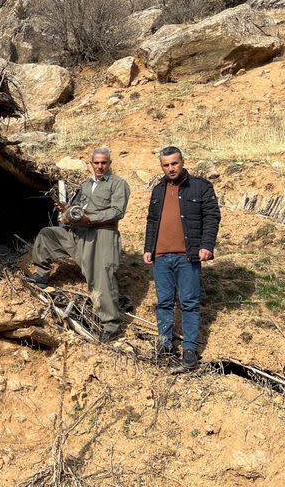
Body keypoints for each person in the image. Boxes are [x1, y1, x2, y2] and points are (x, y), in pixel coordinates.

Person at [27, 147, 131, 343]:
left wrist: (89, 219)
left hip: (102, 235)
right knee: (47, 235)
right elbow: (77, 209)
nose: (100, 166)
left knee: (101, 277)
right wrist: (67, 209)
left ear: (109, 163)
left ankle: (111, 325)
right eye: (96, 163)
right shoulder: (85, 185)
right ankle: (41, 275)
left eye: (104, 163)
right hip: (79, 233)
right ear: (91, 163)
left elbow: (117, 211)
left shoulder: (118, 184)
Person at [143, 146, 221, 371]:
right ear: (162, 167)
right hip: (161, 258)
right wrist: (149, 248)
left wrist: (206, 245)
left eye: (174, 163)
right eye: (166, 165)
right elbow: (151, 220)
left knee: (189, 302)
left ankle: (189, 349)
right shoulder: (158, 189)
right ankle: (165, 344)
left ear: (182, 162)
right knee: (164, 302)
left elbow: (212, 216)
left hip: (187, 257)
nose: (171, 168)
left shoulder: (200, 186)